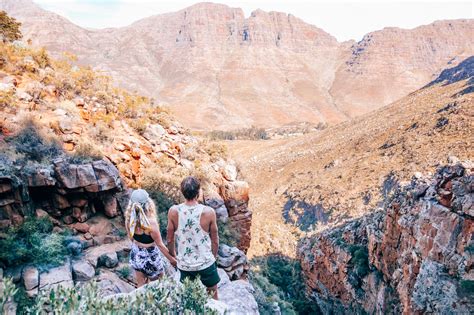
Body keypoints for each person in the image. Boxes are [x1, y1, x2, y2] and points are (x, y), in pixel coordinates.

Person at [167, 176, 220, 299]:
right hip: (206, 263)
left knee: (188, 298)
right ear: (198, 192)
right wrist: (212, 257)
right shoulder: (209, 212)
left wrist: (174, 256)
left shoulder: (174, 211)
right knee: (213, 296)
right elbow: (215, 240)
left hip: (185, 266)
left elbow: (169, 239)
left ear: (182, 192)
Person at [125, 189, 177, 287]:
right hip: (151, 257)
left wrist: (140, 245)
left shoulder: (128, 219)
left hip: (136, 254)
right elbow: (160, 245)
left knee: (141, 286)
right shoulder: (151, 223)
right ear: (148, 203)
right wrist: (172, 260)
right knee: (161, 284)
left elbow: (131, 238)